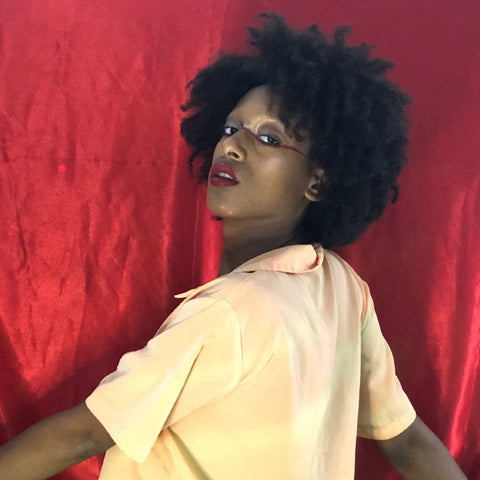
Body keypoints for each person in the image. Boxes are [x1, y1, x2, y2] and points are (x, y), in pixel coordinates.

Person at [0, 13, 468, 480]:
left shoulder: (228, 312)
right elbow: (405, 442)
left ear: (319, 182)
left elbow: (83, 434)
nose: (233, 148)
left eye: (269, 137)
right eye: (229, 129)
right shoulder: (343, 289)